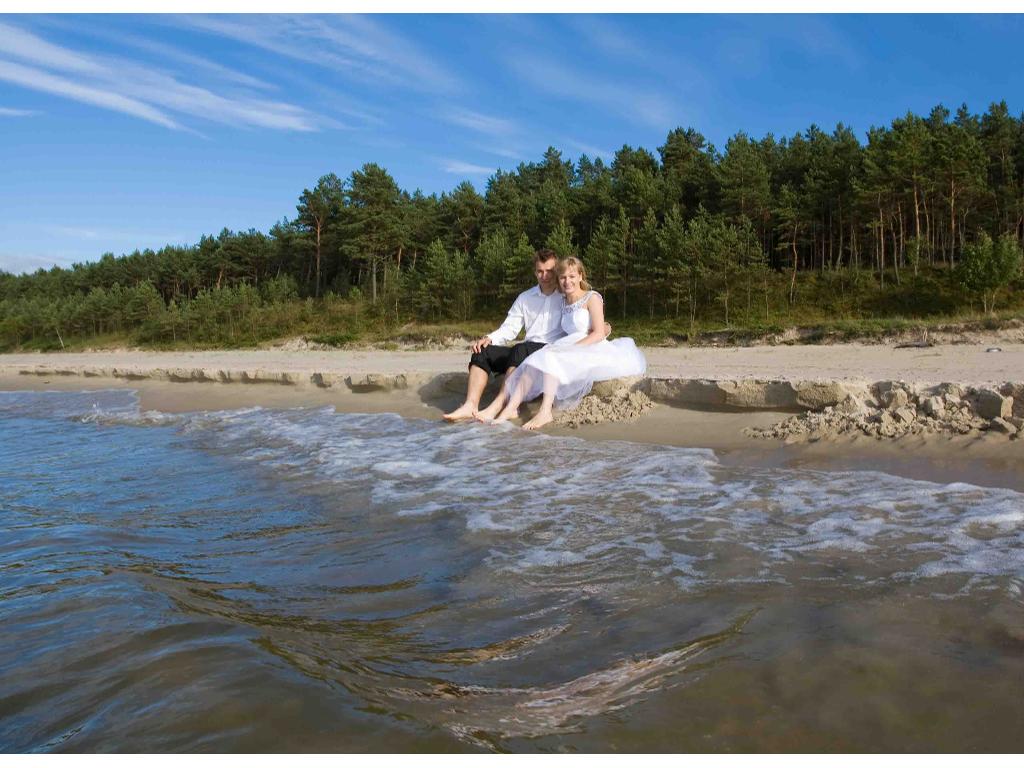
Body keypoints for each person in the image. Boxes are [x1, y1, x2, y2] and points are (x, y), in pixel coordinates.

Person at [486, 256, 646, 430]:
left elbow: (599, 332)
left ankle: (545, 411)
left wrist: (573, 349)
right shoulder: (563, 301)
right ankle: (510, 408)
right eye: (563, 277)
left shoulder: (592, 298)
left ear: (580, 276)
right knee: (535, 359)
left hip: (591, 347)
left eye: (571, 276)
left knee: (551, 357)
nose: (567, 281)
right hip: (570, 344)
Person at [442, 249, 565, 421]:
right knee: (482, 351)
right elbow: (510, 328)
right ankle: (470, 405)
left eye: (549, 271)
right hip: (523, 353)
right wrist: (490, 338)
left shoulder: (566, 296)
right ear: (534, 272)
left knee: (520, 349)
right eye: (540, 271)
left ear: (557, 270)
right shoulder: (525, 297)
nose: (545, 276)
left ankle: (504, 405)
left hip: (548, 354)